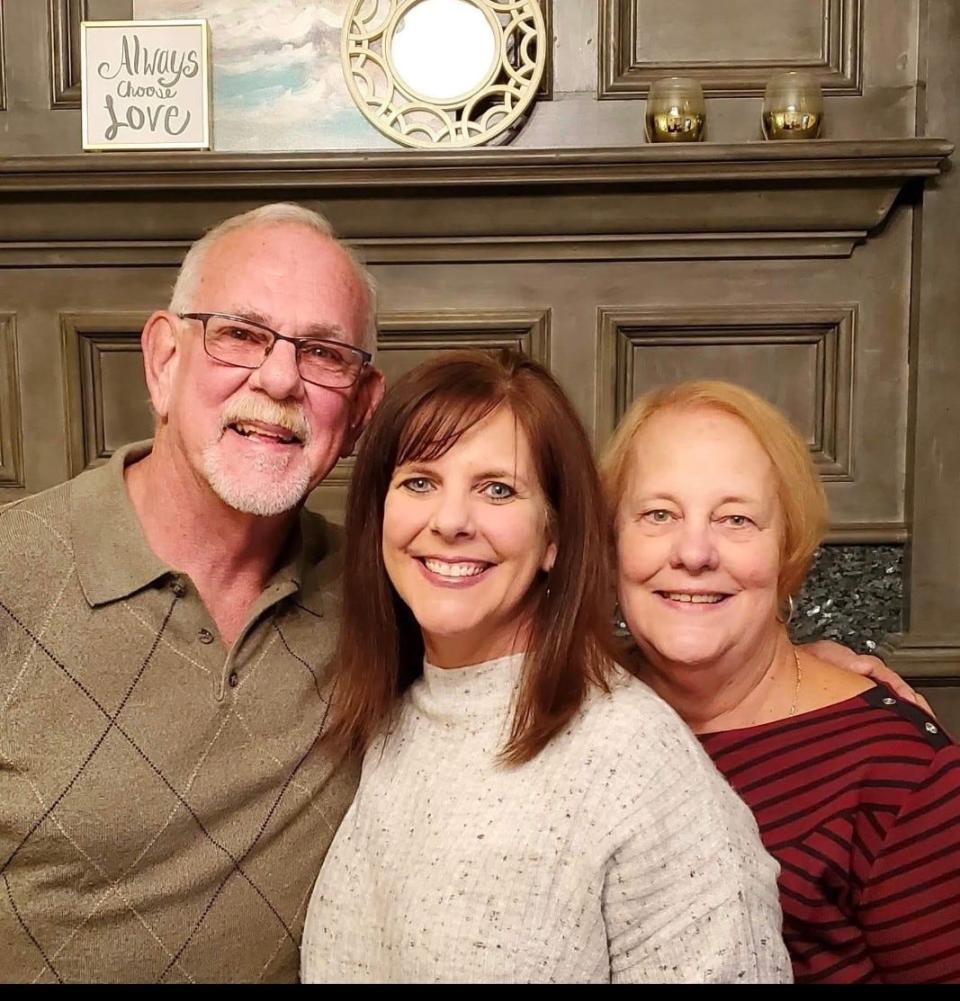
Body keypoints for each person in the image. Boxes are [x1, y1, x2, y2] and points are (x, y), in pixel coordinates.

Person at [300, 350, 791, 984]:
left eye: (497, 489)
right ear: (379, 515)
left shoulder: (634, 758)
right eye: (420, 481)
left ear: (554, 538)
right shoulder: (390, 718)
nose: (450, 521)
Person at [0, 203, 384, 983]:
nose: (279, 378)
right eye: (240, 333)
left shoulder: (384, 599)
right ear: (163, 362)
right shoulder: (14, 574)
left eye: (323, 353)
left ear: (362, 409)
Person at [601, 379, 960, 984]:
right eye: (658, 514)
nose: (694, 552)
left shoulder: (899, 771)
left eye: (736, 518)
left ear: (787, 548)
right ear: (611, 544)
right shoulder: (574, 713)